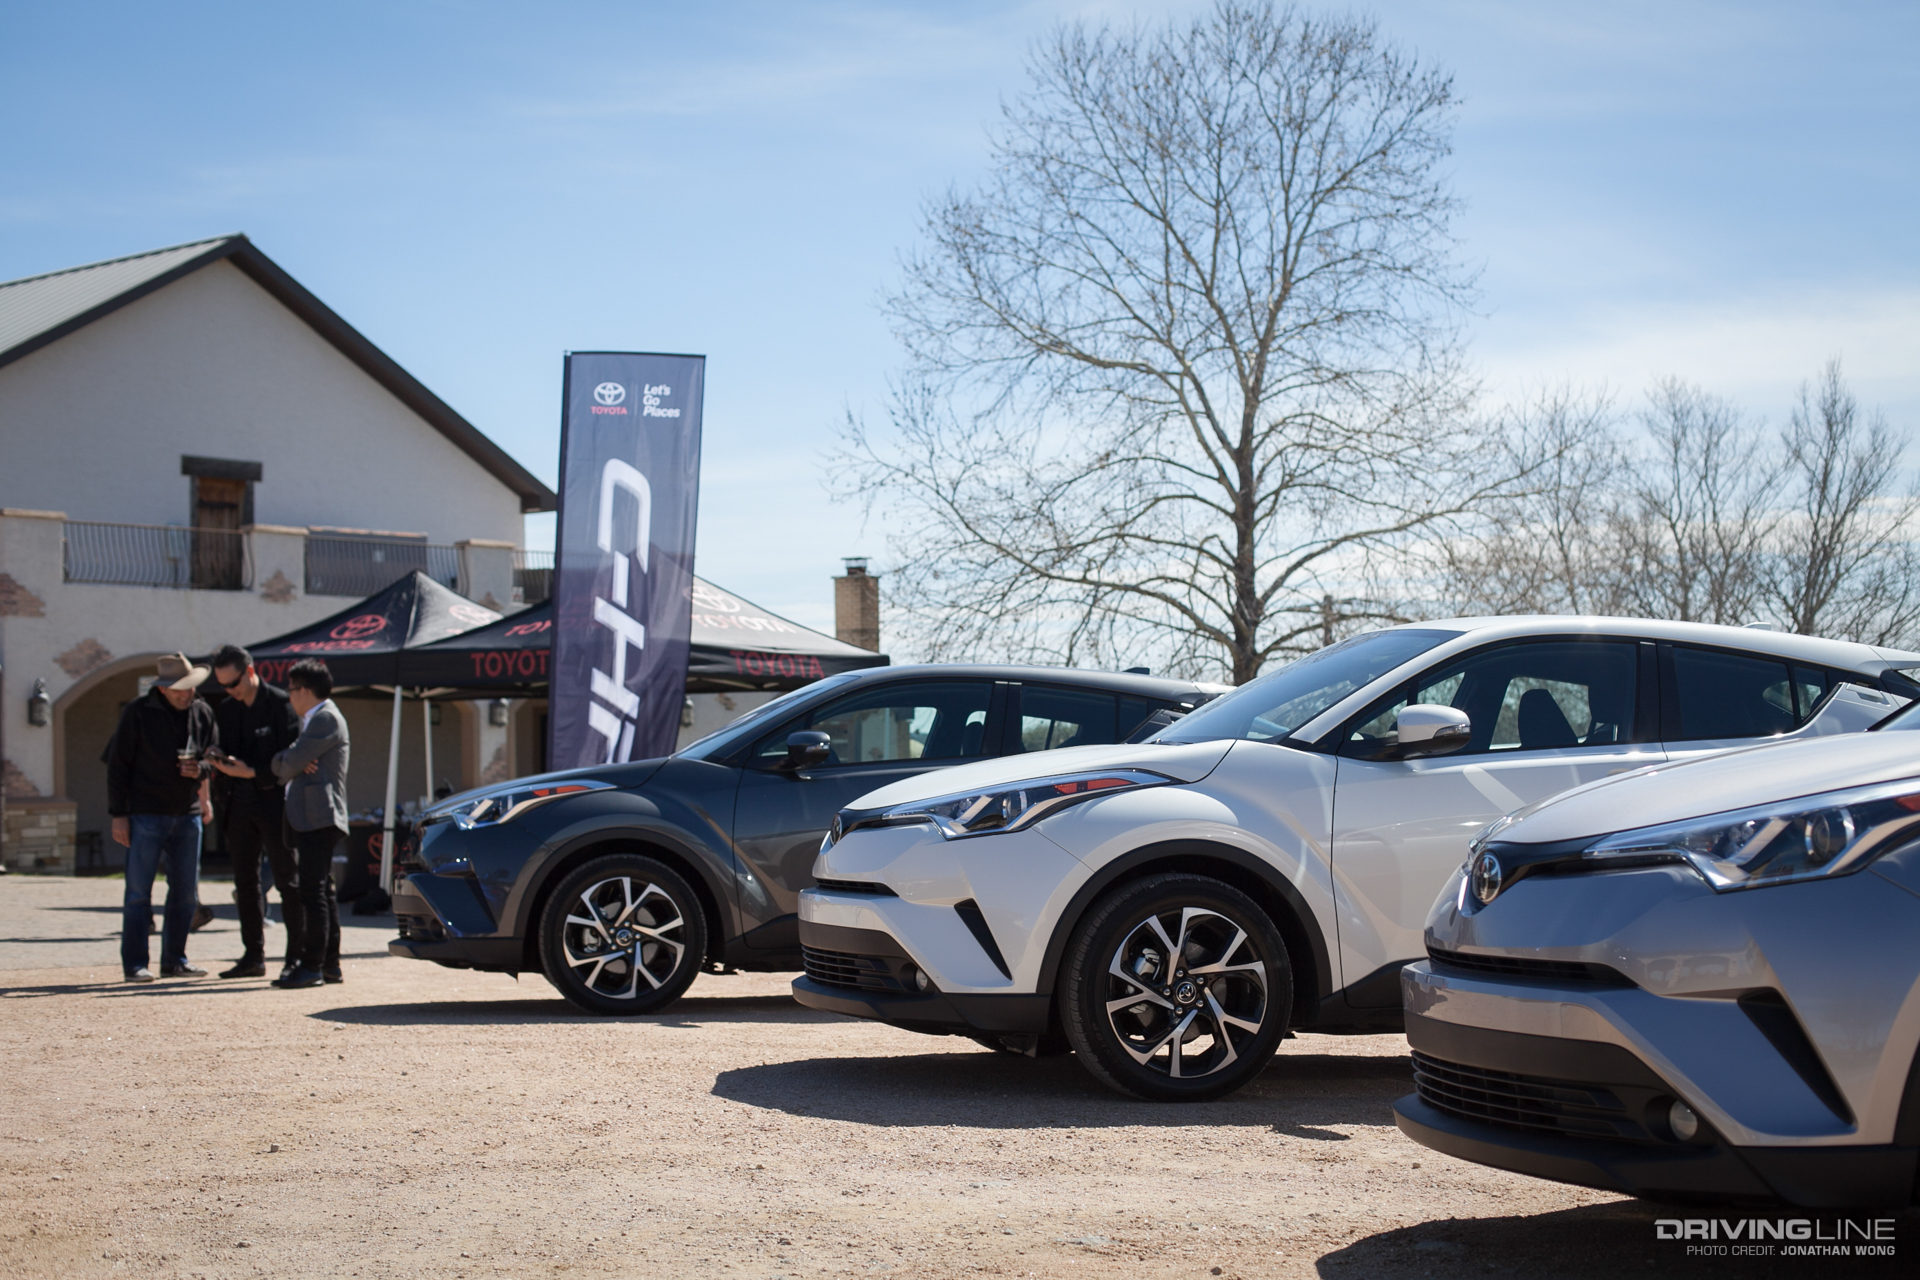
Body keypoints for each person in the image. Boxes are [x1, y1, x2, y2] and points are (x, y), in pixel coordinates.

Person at [107, 652, 218, 982]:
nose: (186, 694)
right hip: (145, 813)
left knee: (185, 893)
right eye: (179, 689)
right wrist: (118, 814)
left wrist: (201, 772)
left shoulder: (202, 711)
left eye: (190, 687)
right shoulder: (137, 712)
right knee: (138, 893)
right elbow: (117, 765)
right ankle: (135, 964)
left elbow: (214, 756)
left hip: (188, 814)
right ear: (162, 688)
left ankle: (175, 960)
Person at [206, 645, 302, 980]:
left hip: (274, 803)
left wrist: (253, 773)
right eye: (222, 686)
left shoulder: (280, 704)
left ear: (249, 672)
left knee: (287, 881)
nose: (228, 691)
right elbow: (229, 751)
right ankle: (253, 956)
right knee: (245, 883)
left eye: (232, 683)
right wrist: (217, 755)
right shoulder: (227, 709)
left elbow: (291, 758)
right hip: (238, 804)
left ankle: (296, 957)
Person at [273, 658, 348, 989]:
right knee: (321, 891)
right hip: (314, 816)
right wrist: (291, 759)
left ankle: (313, 964)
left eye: (291, 689)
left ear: (304, 690)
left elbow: (287, 763)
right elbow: (292, 762)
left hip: (319, 816)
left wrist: (289, 759)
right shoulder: (315, 719)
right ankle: (329, 964)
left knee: (312, 891)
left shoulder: (325, 718)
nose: (289, 696)